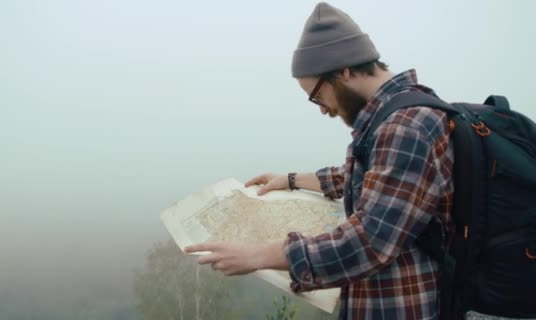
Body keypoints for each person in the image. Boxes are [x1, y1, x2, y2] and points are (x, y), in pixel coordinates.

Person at [184, 2, 454, 319]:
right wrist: (292, 179)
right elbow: (372, 179)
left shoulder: (405, 126)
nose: (322, 109)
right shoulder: (399, 114)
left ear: (344, 70)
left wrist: (258, 255)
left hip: (402, 308)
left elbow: (370, 241)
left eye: (316, 96)